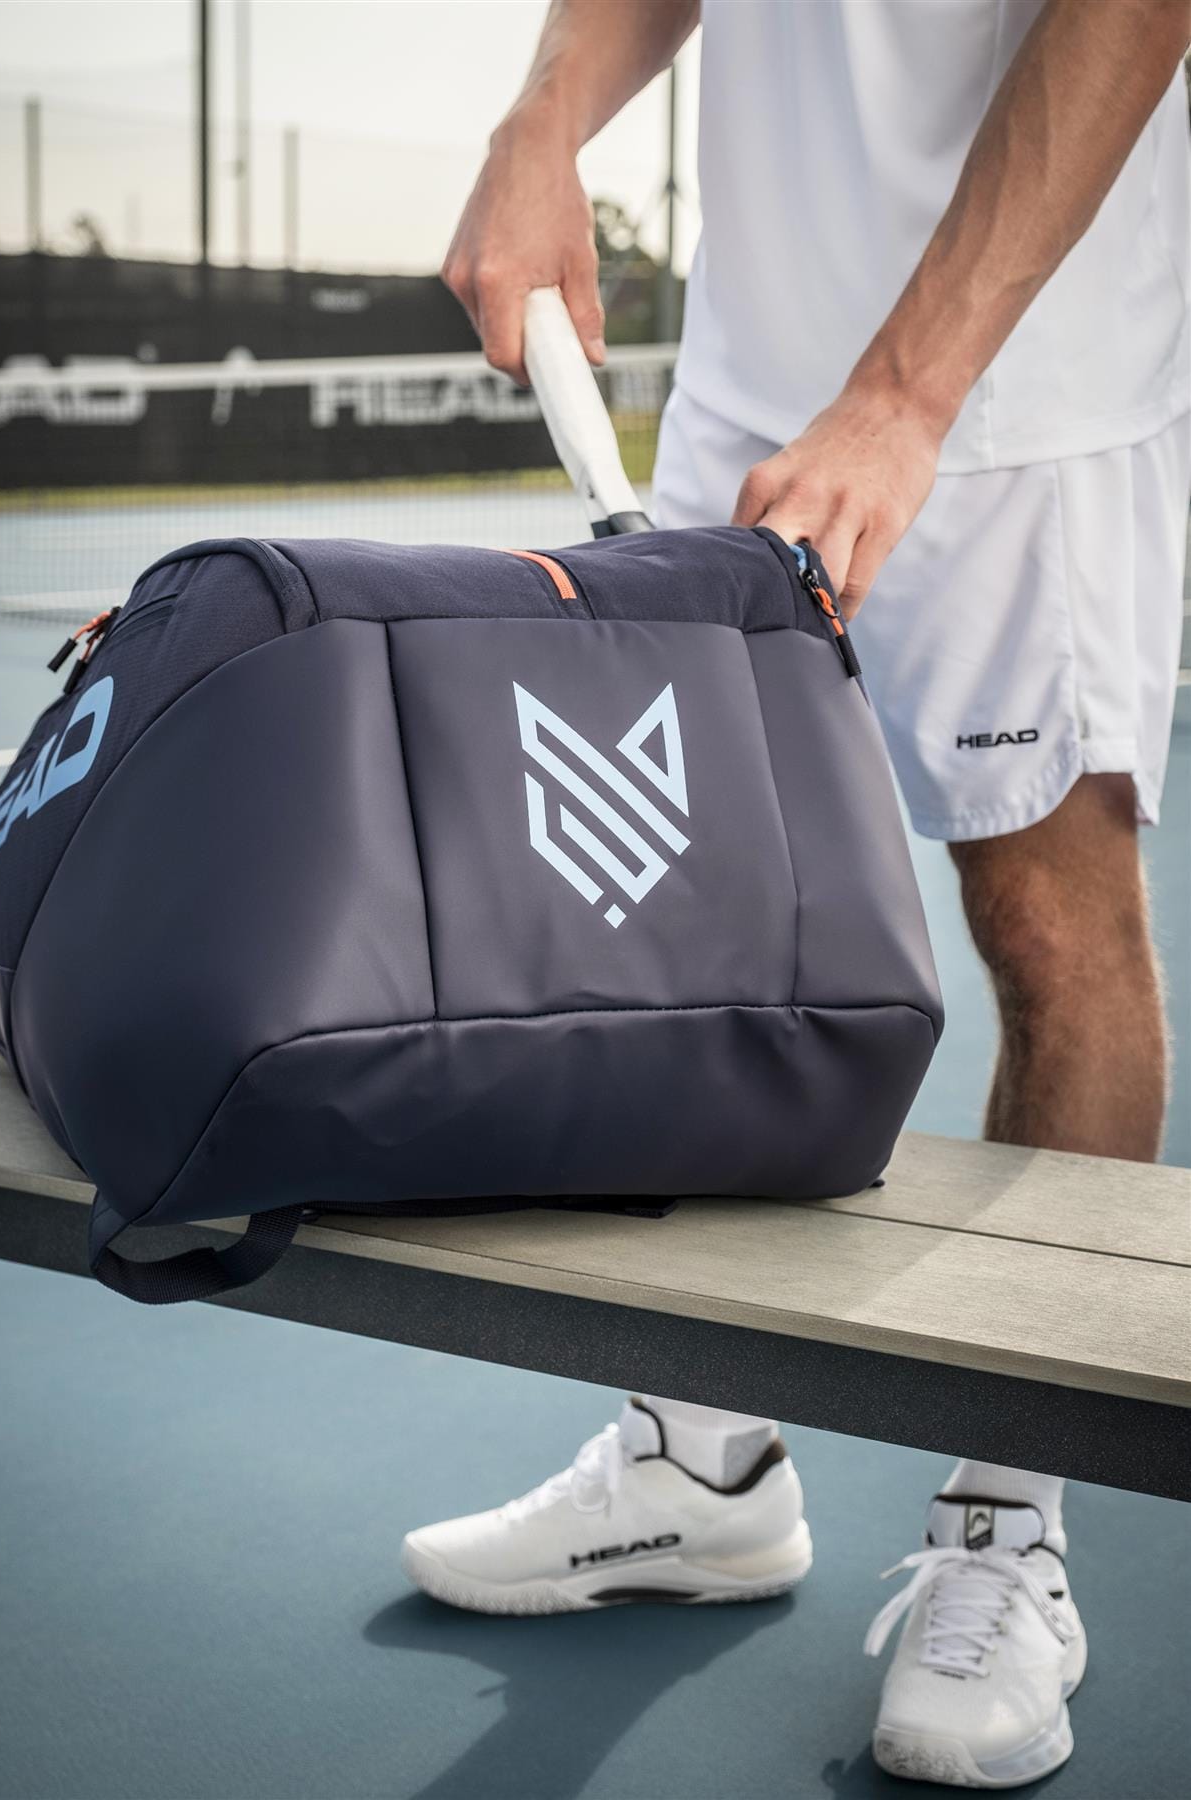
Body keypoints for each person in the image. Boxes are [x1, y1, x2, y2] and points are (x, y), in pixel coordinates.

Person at [400, 0, 1191, 1787]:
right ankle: (703, 1469)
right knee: (682, 913)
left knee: (1049, 927)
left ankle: (1009, 1527)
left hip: (1022, 384)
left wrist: (906, 394)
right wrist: (541, 123)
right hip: (749, 370)